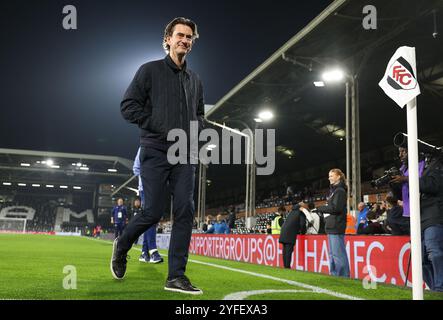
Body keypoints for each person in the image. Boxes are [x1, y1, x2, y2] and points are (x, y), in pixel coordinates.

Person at [110, 17, 205, 295]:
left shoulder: (195, 80)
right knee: (152, 211)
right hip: (154, 149)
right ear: (168, 39)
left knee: (185, 210)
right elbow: (128, 107)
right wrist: (160, 126)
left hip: (185, 152)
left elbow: (199, 113)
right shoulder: (148, 71)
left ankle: (176, 276)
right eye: (180, 35)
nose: (184, 40)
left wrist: (198, 130)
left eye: (189, 37)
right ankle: (123, 244)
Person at [307, 169, 350, 277]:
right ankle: (335, 275)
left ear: (338, 177)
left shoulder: (340, 191)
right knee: (333, 254)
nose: (329, 178)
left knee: (338, 254)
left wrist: (320, 208)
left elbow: (336, 208)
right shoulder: (334, 191)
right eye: (329, 176)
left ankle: (343, 276)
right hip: (332, 226)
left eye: (331, 176)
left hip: (336, 225)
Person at [133, 148, 163, 264]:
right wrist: (146, 179)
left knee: (152, 220)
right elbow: (136, 168)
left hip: (157, 187)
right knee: (151, 217)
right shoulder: (144, 146)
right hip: (146, 188)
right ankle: (153, 251)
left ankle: (144, 252)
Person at [279, 202, 306, 268]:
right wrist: (302, 232)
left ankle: (285, 265)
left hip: (283, 232)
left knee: (285, 250)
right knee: (288, 250)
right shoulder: (300, 213)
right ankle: (287, 266)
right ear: (301, 208)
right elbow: (302, 225)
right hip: (290, 233)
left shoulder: (291, 212)